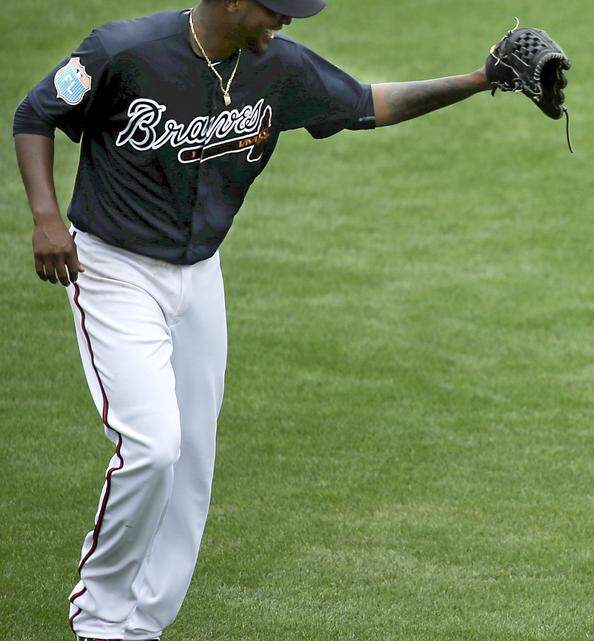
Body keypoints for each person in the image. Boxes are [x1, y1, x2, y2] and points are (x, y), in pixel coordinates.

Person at [13, 1, 500, 638]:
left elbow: (364, 104)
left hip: (199, 274)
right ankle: (100, 620)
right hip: (113, 270)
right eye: (279, 7)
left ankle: (141, 627)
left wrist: (478, 79)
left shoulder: (277, 66)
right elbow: (36, 112)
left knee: (192, 462)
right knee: (154, 449)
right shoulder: (123, 50)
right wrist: (47, 217)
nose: (290, 19)